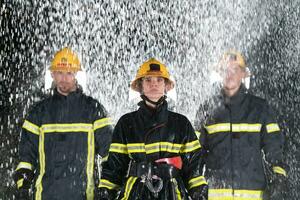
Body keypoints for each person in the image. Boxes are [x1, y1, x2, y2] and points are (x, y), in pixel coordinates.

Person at [98, 58, 208, 199]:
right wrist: (106, 191)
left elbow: (193, 165)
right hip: (136, 193)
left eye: (159, 80)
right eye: (148, 80)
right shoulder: (126, 123)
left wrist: (199, 191)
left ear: (166, 86)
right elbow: (115, 166)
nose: (154, 84)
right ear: (140, 86)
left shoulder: (181, 123)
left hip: (173, 194)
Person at [13, 47, 113, 200]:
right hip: (45, 196)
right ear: (52, 74)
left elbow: (110, 153)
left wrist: (107, 187)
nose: (64, 78)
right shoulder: (39, 112)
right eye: (60, 73)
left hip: (85, 196)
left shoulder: (93, 110)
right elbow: (26, 156)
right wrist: (23, 185)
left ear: (76, 74)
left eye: (69, 73)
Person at [194, 50, 287, 200]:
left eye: (235, 69)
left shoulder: (259, 108)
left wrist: (279, 177)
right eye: (225, 70)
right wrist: (196, 186)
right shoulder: (207, 109)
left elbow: (274, 148)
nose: (229, 74)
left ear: (243, 74)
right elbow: (195, 153)